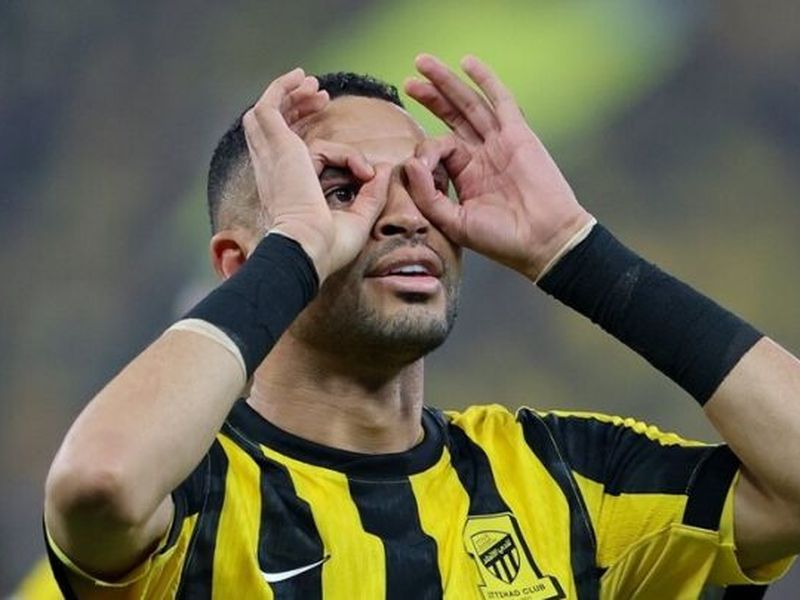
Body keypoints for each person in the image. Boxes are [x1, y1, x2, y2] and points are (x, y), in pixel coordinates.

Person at [42, 54, 799, 599]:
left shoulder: (565, 480)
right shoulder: (194, 492)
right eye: (342, 190)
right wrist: (300, 245)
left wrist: (573, 248)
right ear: (244, 264)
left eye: (429, 182)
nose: (407, 215)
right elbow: (99, 483)